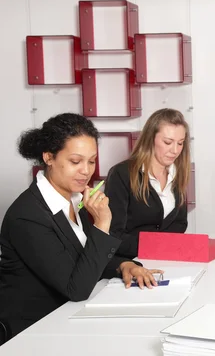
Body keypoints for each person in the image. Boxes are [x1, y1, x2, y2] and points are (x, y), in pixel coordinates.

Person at [0, 113, 161, 339]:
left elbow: (85, 257)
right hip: (35, 332)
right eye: (76, 161)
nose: (86, 170)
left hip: (69, 318)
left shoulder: (76, 199)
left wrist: (124, 265)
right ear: (49, 157)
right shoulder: (27, 216)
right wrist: (103, 223)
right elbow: (76, 288)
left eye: (92, 161)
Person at [104, 109, 191, 259]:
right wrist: (154, 247)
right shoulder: (122, 174)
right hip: (130, 262)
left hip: (165, 260)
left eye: (180, 143)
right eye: (168, 142)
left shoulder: (178, 173)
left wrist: (164, 250)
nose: (175, 150)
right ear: (150, 139)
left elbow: (180, 223)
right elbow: (113, 234)